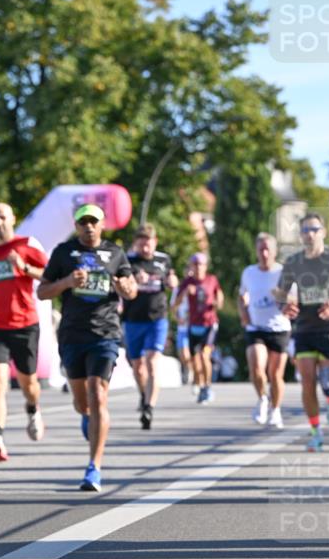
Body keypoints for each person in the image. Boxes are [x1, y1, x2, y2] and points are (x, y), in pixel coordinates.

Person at [37, 203, 137, 492]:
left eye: (94, 222)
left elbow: (130, 289)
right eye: (83, 222)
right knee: (83, 402)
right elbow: (42, 292)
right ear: (77, 226)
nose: (89, 227)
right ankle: (87, 416)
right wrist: (67, 281)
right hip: (72, 334)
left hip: (105, 333)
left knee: (98, 394)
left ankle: (94, 467)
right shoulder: (63, 253)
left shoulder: (116, 254)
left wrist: (125, 288)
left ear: (103, 224)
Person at [274, 212, 329, 452]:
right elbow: (279, 292)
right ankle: (315, 433)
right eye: (305, 230)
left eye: (314, 229)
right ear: (301, 235)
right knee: (307, 383)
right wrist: (285, 305)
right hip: (304, 328)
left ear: (323, 232)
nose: (309, 234)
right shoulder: (293, 262)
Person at [0, 202, 48, 461]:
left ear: (13, 218)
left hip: (25, 324)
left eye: (2, 217)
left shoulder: (28, 244)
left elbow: (49, 277)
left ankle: (33, 408)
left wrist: (25, 267)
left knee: (29, 384)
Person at [122, 223, 178, 429]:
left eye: (149, 244)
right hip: (133, 318)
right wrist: (134, 279)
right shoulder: (128, 261)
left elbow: (172, 278)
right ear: (136, 244)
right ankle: (143, 394)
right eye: (141, 244)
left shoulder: (163, 259)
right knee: (138, 366)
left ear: (155, 243)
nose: (145, 249)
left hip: (157, 318)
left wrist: (172, 281)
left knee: (153, 362)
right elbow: (120, 282)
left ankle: (149, 408)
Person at [238, 232, 291, 429]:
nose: (265, 253)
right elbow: (241, 296)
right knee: (256, 367)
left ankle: (275, 410)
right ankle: (262, 399)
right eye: (261, 249)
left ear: (275, 251)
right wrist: (243, 311)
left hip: (279, 327)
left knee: (275, 374)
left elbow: (293, 300)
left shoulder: (283, 272)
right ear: (256, 251)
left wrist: (286, 303)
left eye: (268, 249)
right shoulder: (249, 272)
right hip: (256, 327)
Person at [173, 253, 224, 405]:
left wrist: (216, 303)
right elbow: (175, 304)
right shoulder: (187, 282)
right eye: (194, 264)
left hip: (209, 324)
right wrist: (184, 295)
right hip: (193, 325)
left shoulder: (212, 280)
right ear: (191, 266)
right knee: (194, 361)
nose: (197, 267)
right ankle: (201, 385)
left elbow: (220, 299)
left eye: (200, 264)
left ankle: (207, 387)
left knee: (204, 356)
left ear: (205, 266)